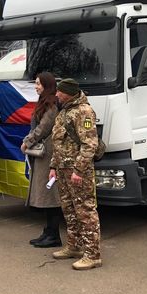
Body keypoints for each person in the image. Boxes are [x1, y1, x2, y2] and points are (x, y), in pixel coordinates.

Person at [49, 78, 102, 270]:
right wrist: (53, 167)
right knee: (70, 210)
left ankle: (93, 254)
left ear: (69, 92)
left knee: (85, 211)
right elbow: (57, 143)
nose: (56, 94)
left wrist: (79, 170)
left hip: (78, 172)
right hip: (63, 170)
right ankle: (75, 246)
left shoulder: (84, 112)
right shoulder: (64, 111)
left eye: (60, 92)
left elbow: (90, 144)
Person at [20, 72, 62, 247]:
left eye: (38, 84)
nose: (36, 87)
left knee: (50, 195)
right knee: (45, 195)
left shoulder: (52, 105)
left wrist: (27, 143)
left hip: (49, 155)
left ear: (47, 85)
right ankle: (48, 231)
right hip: (43, 155)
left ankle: (54, 235)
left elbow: (43, 128)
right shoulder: (45, 103)